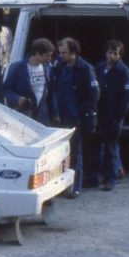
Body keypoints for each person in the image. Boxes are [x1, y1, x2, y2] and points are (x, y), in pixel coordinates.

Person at [49, 37, 99, 198]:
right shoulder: (60, 66)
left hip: (75, 117)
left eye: (64, 53)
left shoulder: (85, 69)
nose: (60, 55)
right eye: (60, 52)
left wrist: (82, 111)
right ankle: (61, 185)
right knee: (59, 152)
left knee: (75, 151)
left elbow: (94, 94)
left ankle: (75, 186)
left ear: (73, 53)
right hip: (60, 116)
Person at [88, 39, 129, 191]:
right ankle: (97, 176)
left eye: (115, 53)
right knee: (97, 146)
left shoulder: (123, 71)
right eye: (110, 52)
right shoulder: (99, 68)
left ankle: (111, 179)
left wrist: (118, 118)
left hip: (113, 115)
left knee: (110, 148)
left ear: (120, 55)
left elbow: (127, 97)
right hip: (99, 113)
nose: (112, 56)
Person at [3, 38, 55, 124]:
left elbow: (52, 92)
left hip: (42, 115)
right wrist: (17, 98)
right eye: (47, 55)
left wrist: (55, 113)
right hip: (24, 114)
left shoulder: (48, 68)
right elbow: (6, 90)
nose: (49, 58)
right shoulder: (17, 67)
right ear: (37, 53)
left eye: (50, 55)